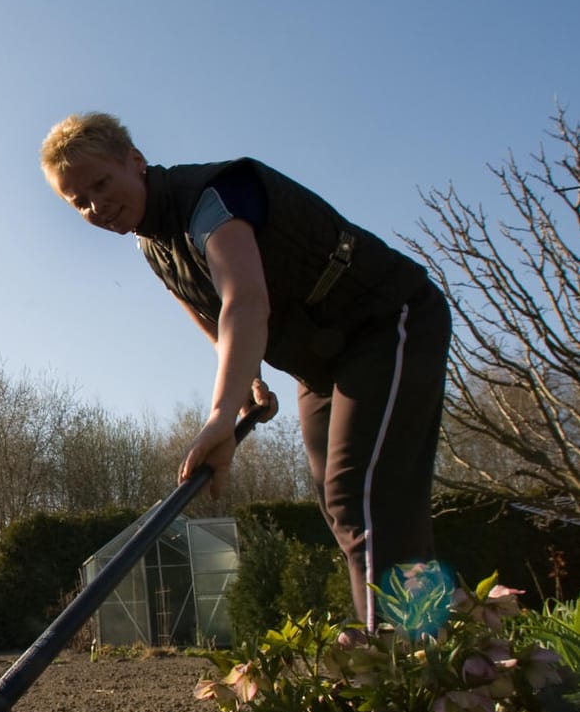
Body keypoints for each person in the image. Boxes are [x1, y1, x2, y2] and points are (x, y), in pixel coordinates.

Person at [40, 112, 450, 630]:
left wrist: (219, 414)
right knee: (344, 509)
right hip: (322, 364)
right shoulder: (154, 243)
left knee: (365, 501)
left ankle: (417, 666)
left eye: (101, 183)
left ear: (135, 162)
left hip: (387, 322)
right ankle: (437, 648)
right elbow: (205, 311)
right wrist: (248, 379)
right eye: (79, 202)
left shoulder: (211, 198)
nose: (96, 206)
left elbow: (243, 299)